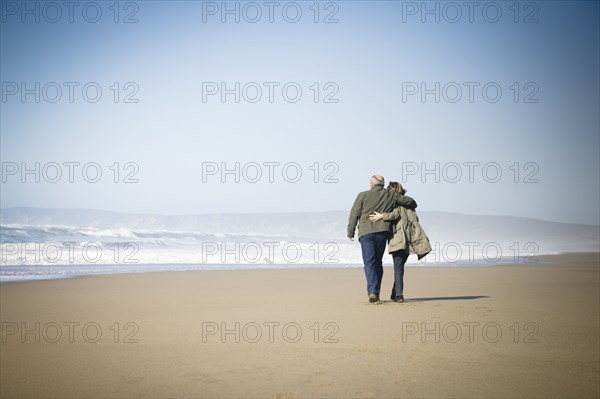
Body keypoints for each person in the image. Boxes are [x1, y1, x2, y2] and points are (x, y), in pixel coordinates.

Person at [347, 175, 417, 303]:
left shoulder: (362, 195)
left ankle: (373, 292)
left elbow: (354, 213)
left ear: (372, 185)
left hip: (366, 233)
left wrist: (350, 231)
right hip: (382, 233)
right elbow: (411, 202)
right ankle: (375, 292)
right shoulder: (390, 195)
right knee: (378, 262)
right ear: (382, 184)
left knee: (369, 262)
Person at [369, 182, 431, 303]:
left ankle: (397, 294)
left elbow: (395, 214)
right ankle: (397, 294)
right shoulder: (406, 204)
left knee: (399, 268)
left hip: (402, 240)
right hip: (405, 240)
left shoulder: (401, 203)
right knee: (399, 268)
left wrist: (382, 215)